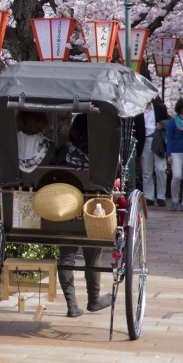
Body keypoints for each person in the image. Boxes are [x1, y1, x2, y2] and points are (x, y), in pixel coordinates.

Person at [52, 114, 111, 317]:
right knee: (93, 256)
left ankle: (71, 305)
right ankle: (94, 299)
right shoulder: (104, 154)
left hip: (66, 209)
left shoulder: (64, 151)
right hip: (95, 209)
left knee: (66, 256)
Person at [142, 98, 169, 207]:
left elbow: (168, 122)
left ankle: (161, 196)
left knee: (161, 168)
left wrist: (162, 125)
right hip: (145, 140)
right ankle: (149, 197)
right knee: (146, 171)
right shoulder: (138, 109)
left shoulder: (159, 108)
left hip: (158, 139)